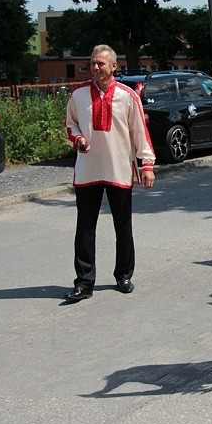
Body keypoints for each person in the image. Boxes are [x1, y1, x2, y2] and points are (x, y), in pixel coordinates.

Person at [64, 44, 156, 302]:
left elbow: (140, 132)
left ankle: (123, 275)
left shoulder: (128, 96)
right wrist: (79, 139)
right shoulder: (78, 95)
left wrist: (147, 165)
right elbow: (70, 124)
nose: (95, 68)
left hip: (119, 169)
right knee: (84, 228)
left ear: (114, 66)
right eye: (92, 63)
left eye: (100, 64)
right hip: (88, 171)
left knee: (122, 225)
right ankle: (84, 282)